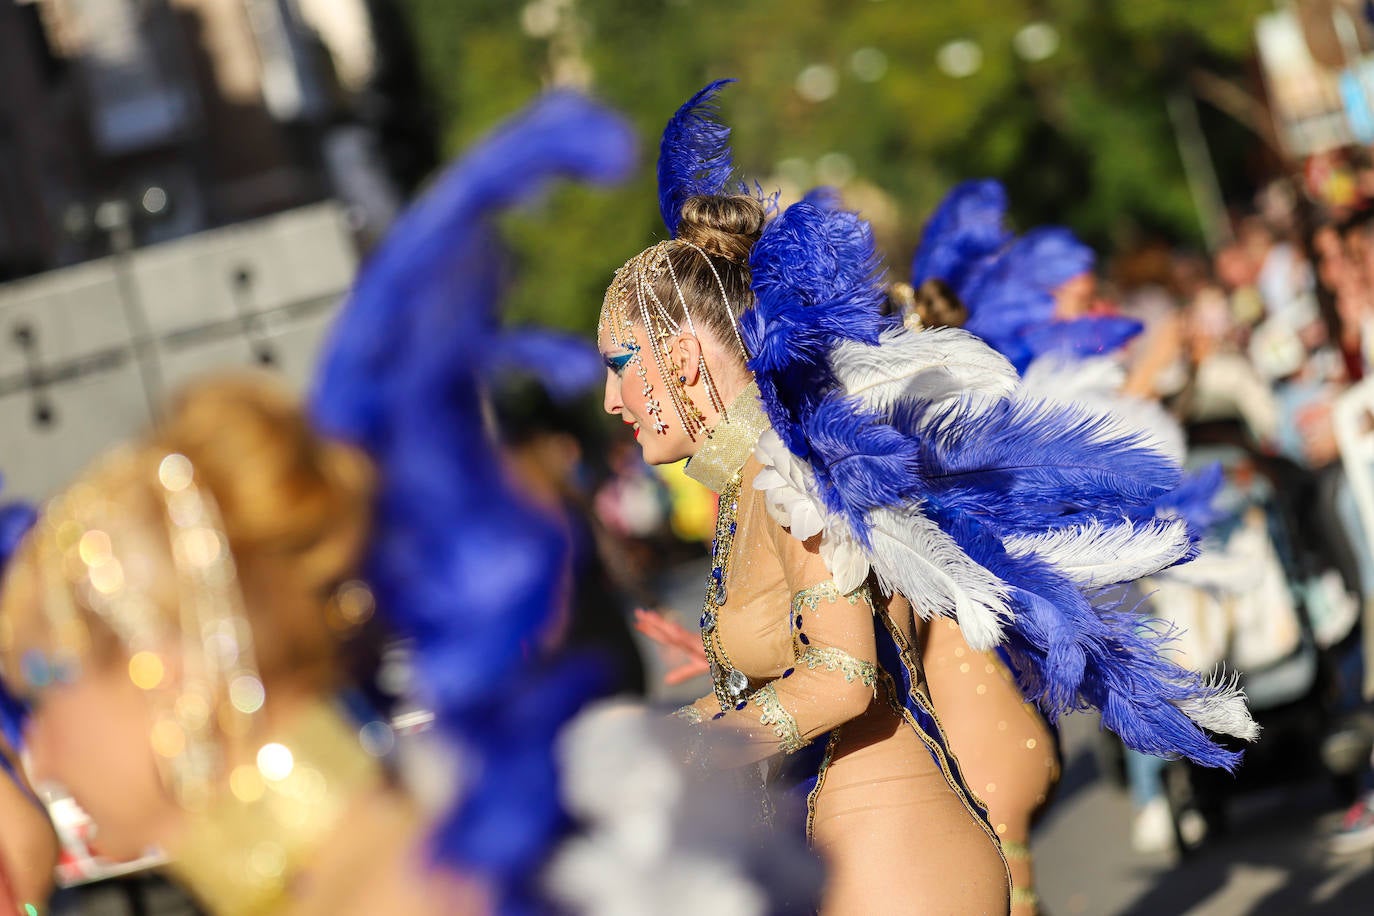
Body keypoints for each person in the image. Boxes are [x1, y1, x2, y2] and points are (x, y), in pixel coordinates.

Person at [600, 81, 1256, 915]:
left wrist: (684, 744)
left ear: (686, 359)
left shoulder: (793, 467)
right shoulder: (755, 485)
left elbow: (844, 675)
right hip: (862, 840)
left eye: (621, 366)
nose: (612, 403)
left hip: (897, 849)